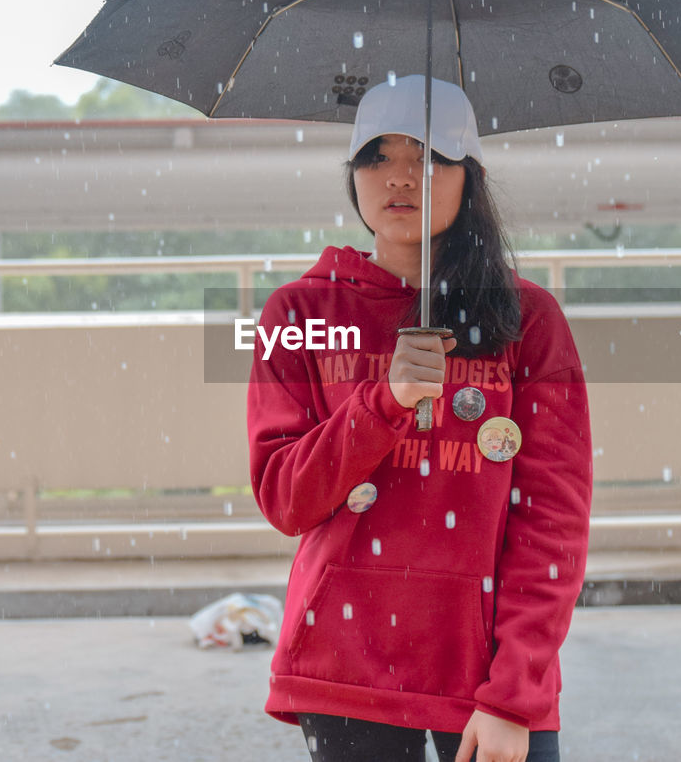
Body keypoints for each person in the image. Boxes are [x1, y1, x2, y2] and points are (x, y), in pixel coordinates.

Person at [246, 75, 592, 762]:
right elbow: (286, 497)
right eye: (377, 155)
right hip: (349, 668)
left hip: (486, 672)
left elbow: (552, 519)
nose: (400, 176)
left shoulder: (529, 321)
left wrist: (513, 692)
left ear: (470, 177)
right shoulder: (297, 316)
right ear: (352, 174)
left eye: (429, 156)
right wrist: (386, 399)